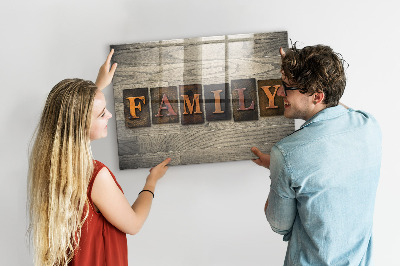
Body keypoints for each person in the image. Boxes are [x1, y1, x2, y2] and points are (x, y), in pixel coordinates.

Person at [27, 49, 170, 266]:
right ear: (81, 123)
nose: (110, 115)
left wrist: (97, 86)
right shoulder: (95, 176)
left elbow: (73, 113)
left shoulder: (50, 165)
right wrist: (151, 181)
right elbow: (134, 224)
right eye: (102, 113)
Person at [251, 44, 382, 265]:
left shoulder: (286, 154)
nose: (280, 92)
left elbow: (279, 225)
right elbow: (335, 108)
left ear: (317, 96)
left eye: (287, 87)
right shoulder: (369, 125)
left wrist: (279, 170)